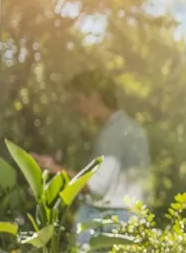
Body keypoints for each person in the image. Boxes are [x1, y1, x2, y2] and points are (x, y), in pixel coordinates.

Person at [33, 69, 152, 242]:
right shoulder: (131, 129)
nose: (77, 108)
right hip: (129, 219)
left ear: (95, 97)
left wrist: (53, 169)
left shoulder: (114, 133)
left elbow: (96, 187)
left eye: (79, 100)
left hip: (109, 222)